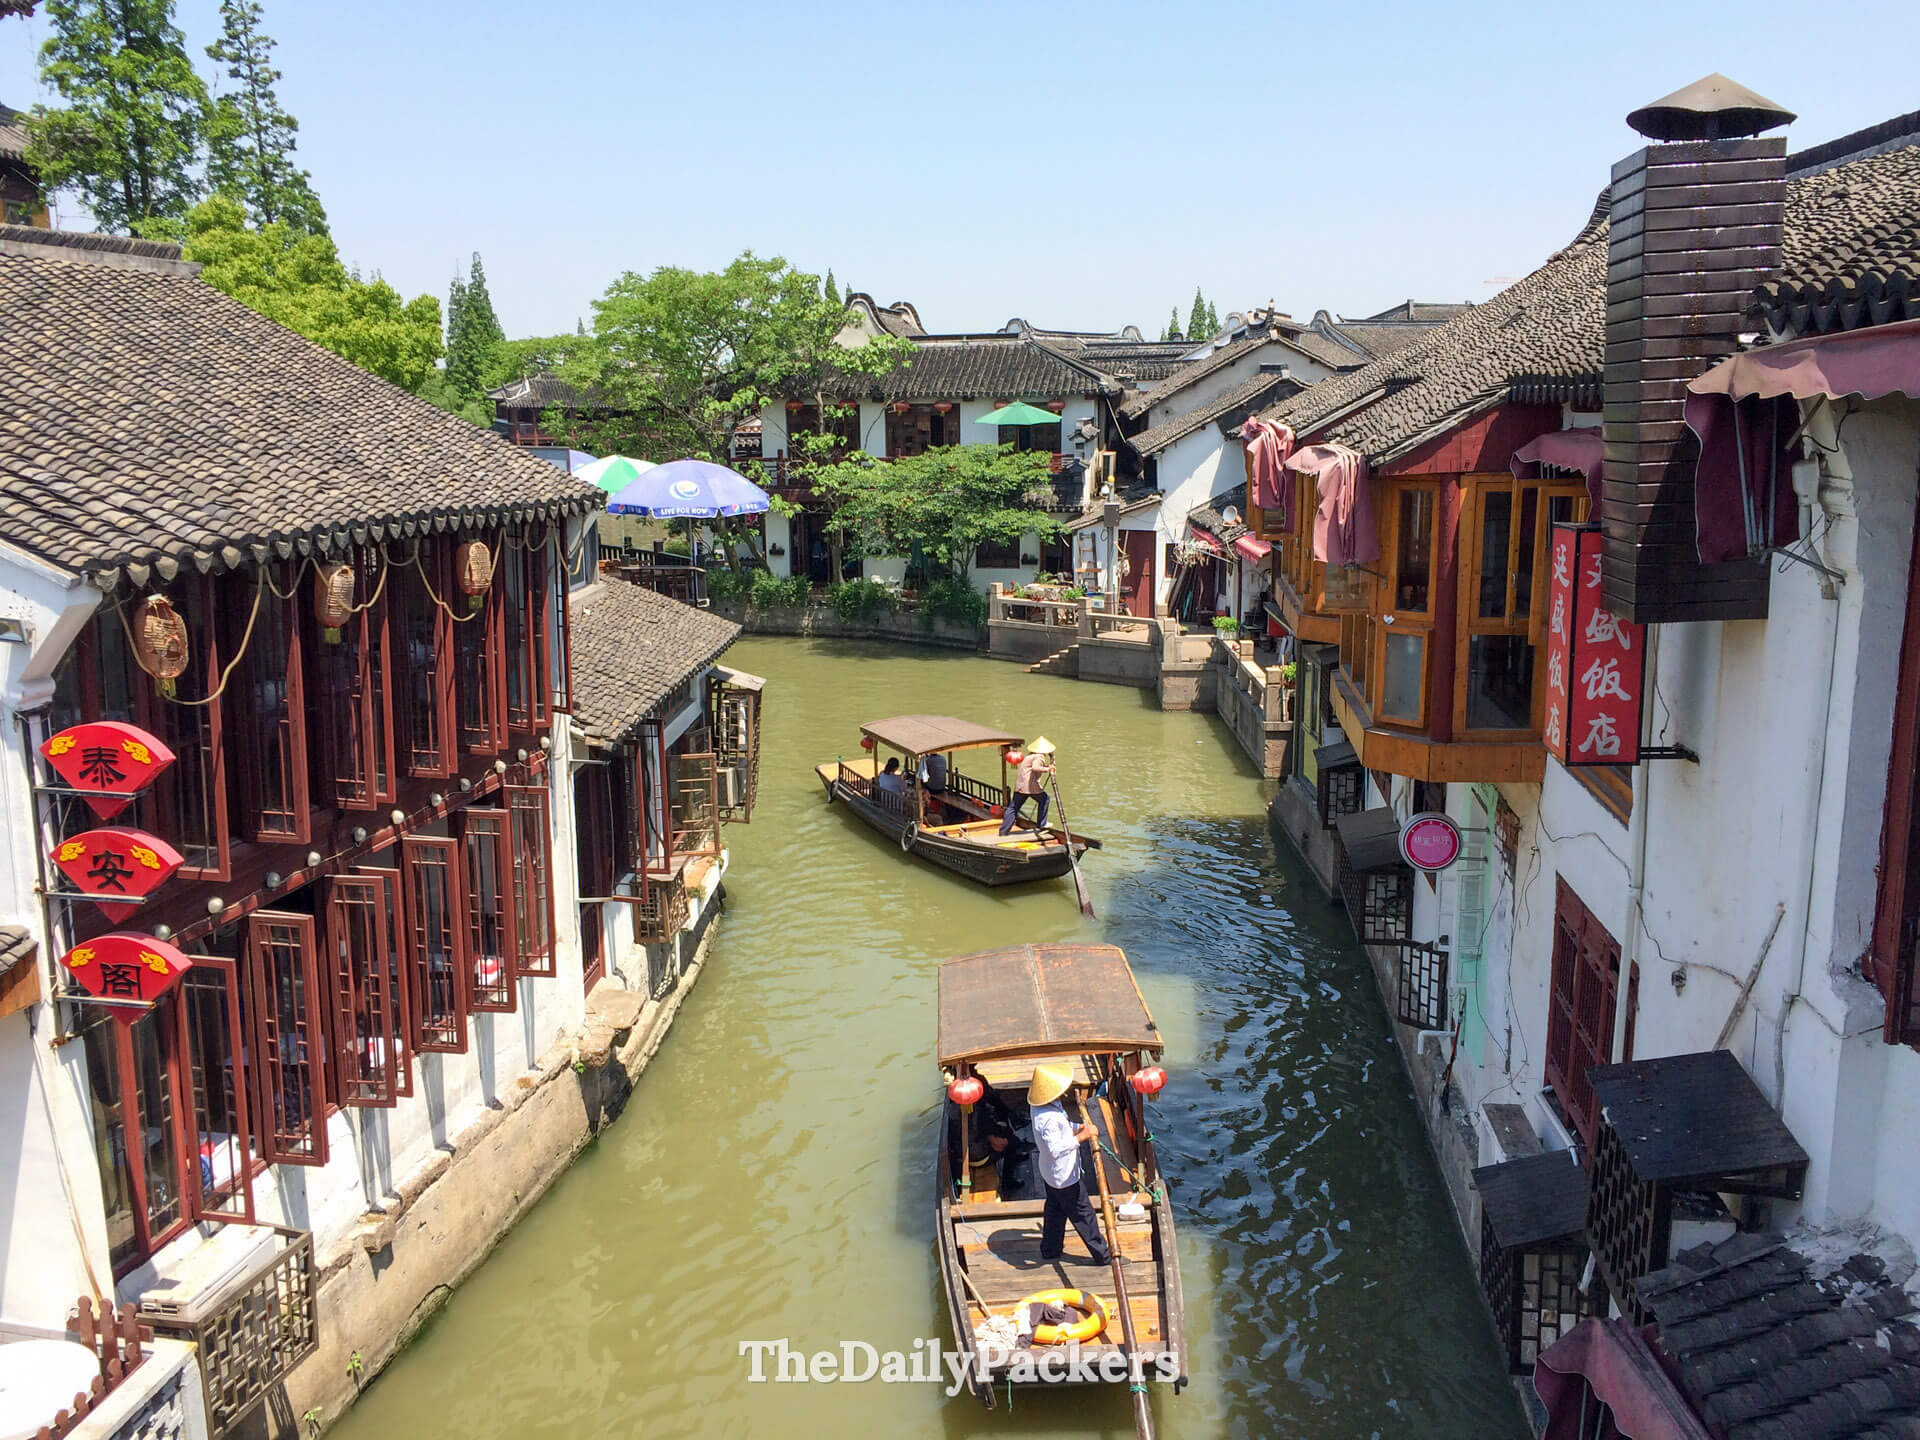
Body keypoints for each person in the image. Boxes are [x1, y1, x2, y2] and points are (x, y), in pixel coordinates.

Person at [1027, 1063, 1111, 1266]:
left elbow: (1063, 1127)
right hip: (1063, 1176)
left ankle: (1050, 1250)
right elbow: (1055, 1150)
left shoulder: (1042, 1107)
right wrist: (1083, 1136)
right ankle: (1103, 1255)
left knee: (1055, 1210)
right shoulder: (1047, 1119)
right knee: (1084, 1216)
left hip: (1051, 1174)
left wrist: (1078, 1127)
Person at [999, 737, 1055, 834]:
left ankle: (1004, 830)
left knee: (1013, 808)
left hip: (1021, 785)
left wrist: (1047, 767)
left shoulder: (1030, 756)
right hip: (1030, 786)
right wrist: (1048, 769)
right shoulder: (1039, 756)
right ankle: (1042, 824)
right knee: (1045, 799)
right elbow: (1035, 767)